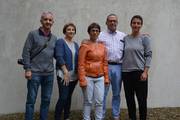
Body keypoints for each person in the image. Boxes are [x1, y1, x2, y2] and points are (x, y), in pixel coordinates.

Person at [22, 12, 57, 120]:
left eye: (50, 20)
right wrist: (28, 69)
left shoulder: (54, 38)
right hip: (35, 73)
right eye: (45, 19)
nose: (48, 22)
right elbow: (26, 52)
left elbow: (56, 55)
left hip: (49, 74)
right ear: (41, 21)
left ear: (53, 22)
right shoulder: (33, 34)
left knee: (46, 100)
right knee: (31, 100)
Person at [122, 15, 152, 120]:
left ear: (141, 25)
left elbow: (148, 55)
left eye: (138, 23)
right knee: (130, 100)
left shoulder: (145, 38)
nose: (136, 25)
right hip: (126, 73)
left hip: (140, 73)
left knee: (142, 100)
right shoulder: (125, 38)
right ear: (131, 24)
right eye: (134, 23)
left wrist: (145, 72)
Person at [78, 23, 109, 120]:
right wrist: (82, 79)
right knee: (88, 101)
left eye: (97, 30)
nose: (95, 32)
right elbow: (81, 64)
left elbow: (105, 63)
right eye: (93, 30)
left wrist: (106, 77)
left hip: (100, 77)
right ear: (89, 32)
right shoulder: (84, 46)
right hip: (88, 77)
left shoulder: (102, 47)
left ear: (99, 32)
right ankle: (86, 118)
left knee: (100, 101)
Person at [98, 14, 126, 120]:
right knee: (103, 93)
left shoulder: (123, 36)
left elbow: (132, 41)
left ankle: (116, 115)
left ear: (117, 22)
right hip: (105, 66)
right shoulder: (100, 35)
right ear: (106, 22)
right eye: (110, 21)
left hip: (118, 67)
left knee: (116, 93)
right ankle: (101, 115)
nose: (112, 23)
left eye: (114, 21)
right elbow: (93, 45)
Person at [54, 23, 79, 120]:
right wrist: (65, 72)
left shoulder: (76, 44)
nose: (71, 31)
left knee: (68, 97)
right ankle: (57, 117)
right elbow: (59, 56)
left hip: (74, 76)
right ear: (65, 31)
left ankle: (66, 117)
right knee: (63, 97)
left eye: (73, 29)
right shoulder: (60, 41)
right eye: (69, 29)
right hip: (63, 75)